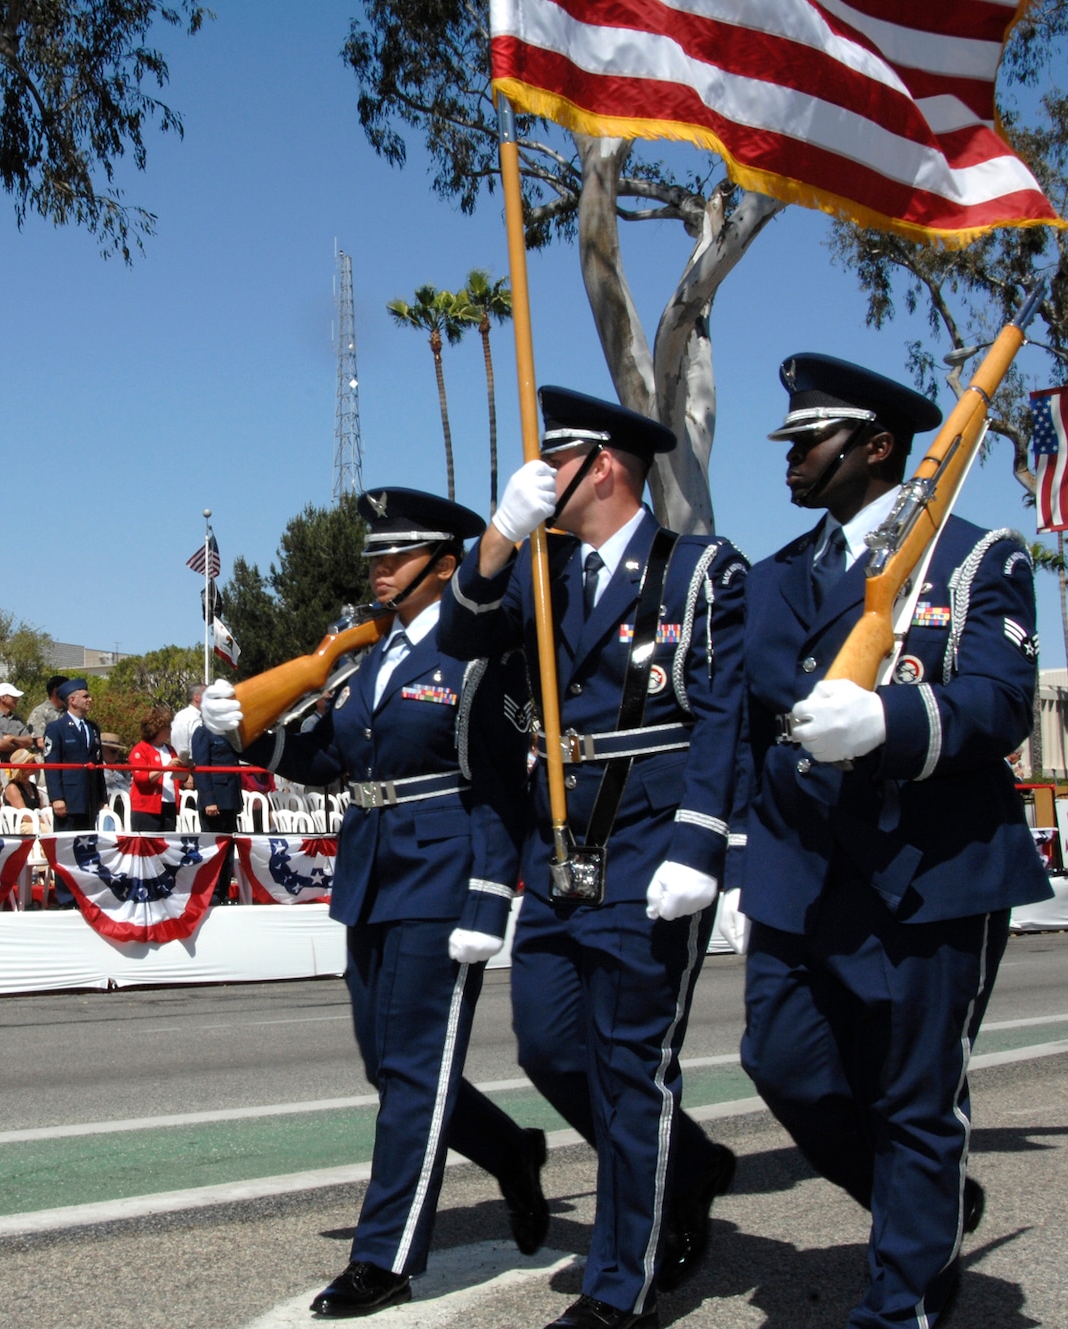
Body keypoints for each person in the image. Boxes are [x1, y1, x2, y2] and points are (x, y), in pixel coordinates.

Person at [735, 353, 1052, 1329]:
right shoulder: (776, 575)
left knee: (915, 1097)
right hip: (799, 874)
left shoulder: (971, 557)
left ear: (875, 448)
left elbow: (996, 702)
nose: (788, 459)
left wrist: (888, 724)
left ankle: (898, 1304)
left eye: (808, 441)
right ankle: (927, 1206)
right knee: (780, 1063)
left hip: (930, 870)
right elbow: (746, 724)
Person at [441, 390, 747, 1328]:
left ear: (603, 465)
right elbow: (460, 635)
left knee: (629, 1067)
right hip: (563, 854)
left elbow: (723, 714)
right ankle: (685, 1163)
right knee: (545, 1040)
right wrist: (496, 537)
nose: (541, 473)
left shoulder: (697, 571)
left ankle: (622, 1284)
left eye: (556, 457)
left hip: (653, 849)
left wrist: (703, 843)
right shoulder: (544, 575)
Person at [201, 488, 546, 1319]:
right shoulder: (365, 658)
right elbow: (329, 757)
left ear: (445, 563)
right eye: (375, 557)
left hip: (445, 868)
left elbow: (503, 786)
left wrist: (490, 895)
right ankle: (510, 1150)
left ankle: (384, 1254)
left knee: (415, 1070)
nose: (379, 569)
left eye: (397, 556)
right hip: (370, 869)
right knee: (387, 1066)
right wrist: (245, 729)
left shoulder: (480, 657)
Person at [43, 679, 105, 831]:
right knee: (67, 845)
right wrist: (57, 798)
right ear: (72, 700)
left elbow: (98, 764)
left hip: (90, 798)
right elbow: (51, 765)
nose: (90, 700)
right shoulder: (56, 728)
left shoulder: (93, 728)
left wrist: (101, 798)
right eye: (85, 696)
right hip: (69, 799)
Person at [127, 708, 179, 831]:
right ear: (158, 728)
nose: (170, 730)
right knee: (147, 846)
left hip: (169, 805)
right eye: (167, 727)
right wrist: (166, 768)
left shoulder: (171, 750)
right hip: (146, 807)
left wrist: (186, 769)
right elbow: (141, 778)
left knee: (167, 846)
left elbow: (178, 779)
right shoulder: (141, 749)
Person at [191, 710, 243, 834]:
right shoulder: (203, 732)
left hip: (230, 797)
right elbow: (201, 769)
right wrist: (209, 800)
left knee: (230, 843)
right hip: (216, 799)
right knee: (214, 846)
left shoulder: (230, 732)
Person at [170, 682, 205, 767]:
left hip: (204, 769)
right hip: (190, 771)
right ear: (196, 697)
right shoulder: (183, 717)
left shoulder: (206, 717)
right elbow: (179, 748)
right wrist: (187, 774)